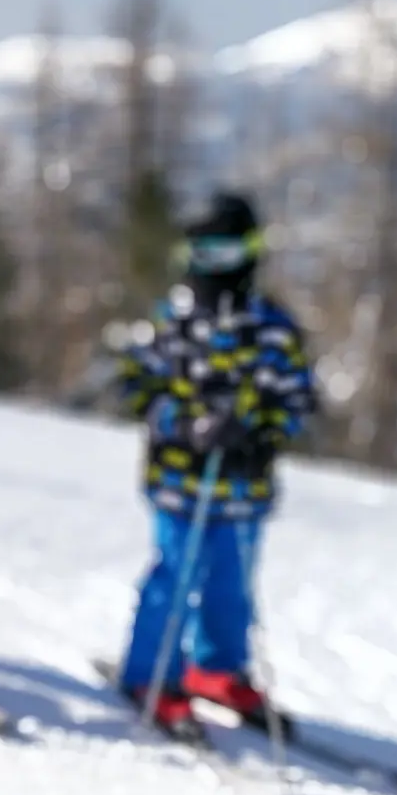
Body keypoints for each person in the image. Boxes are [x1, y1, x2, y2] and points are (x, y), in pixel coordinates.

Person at [115, 191, 313, 737]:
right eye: (202, 253)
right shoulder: (172, 322)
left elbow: (297, 399)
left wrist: (258, 437)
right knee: (174, 575)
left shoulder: (272, 328)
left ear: (250, 254)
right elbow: (138, 387)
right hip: (180, 481)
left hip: (243, 488)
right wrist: (183, 424)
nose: (213, 268)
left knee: (232, 584)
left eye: (225, 255)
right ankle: (150, 674)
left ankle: (217, 667)